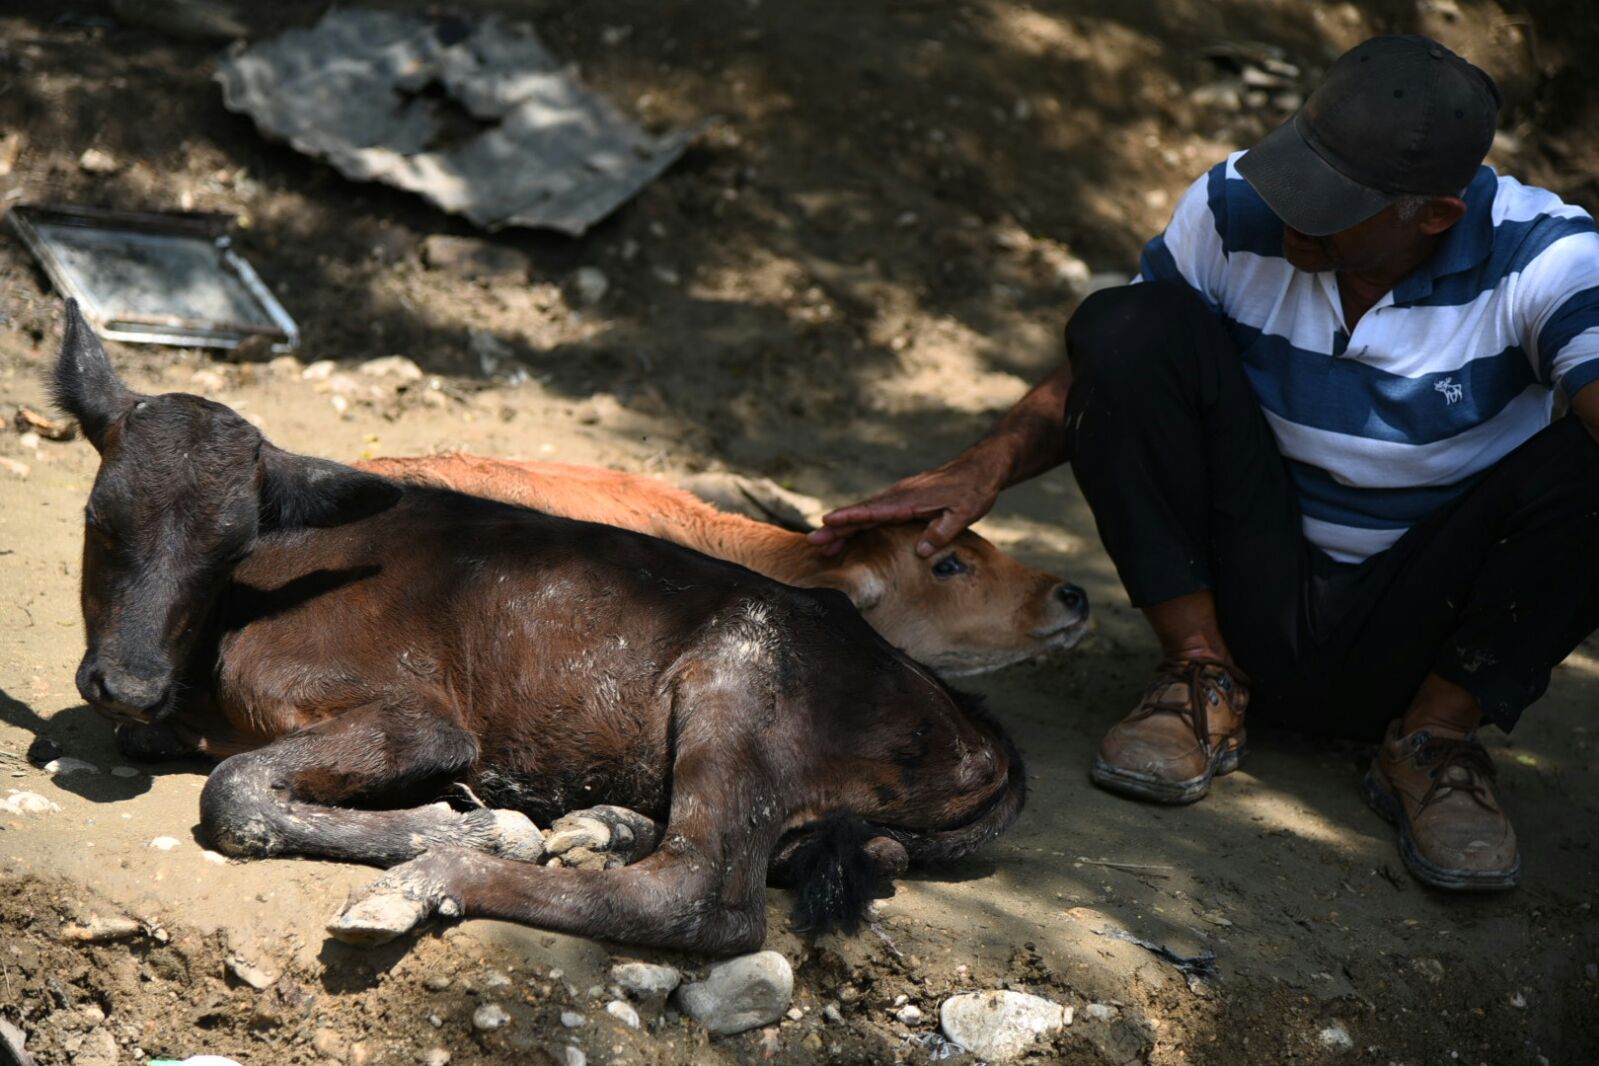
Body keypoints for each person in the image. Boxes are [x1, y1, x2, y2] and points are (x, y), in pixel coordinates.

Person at [808, 35, 1599, 892]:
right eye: (1298, 173)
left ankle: (1434, 736)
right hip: (1250, 582)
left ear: (1434, 214)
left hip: (1426, 621)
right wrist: (987, 463)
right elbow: (1111, 370)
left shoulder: (1547, 255)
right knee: (1127, 324)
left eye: (1330, 205)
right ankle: (1198, 676)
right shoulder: (1231, 206)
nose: (1292, 214)